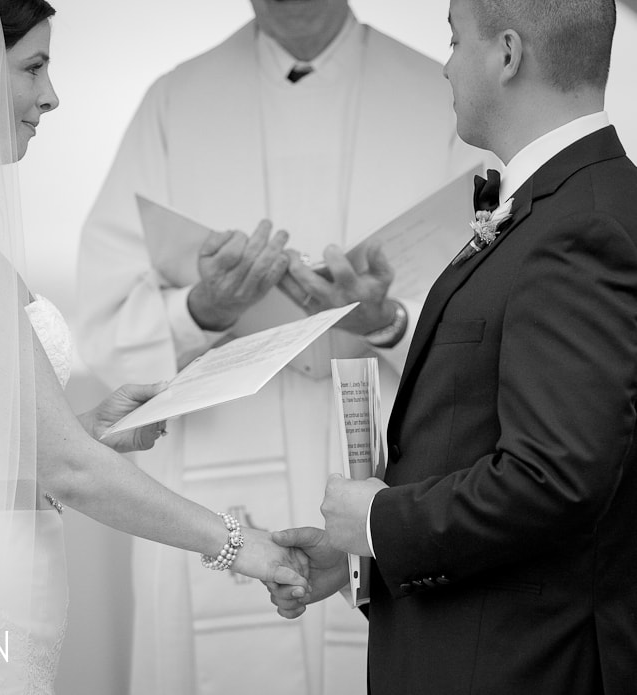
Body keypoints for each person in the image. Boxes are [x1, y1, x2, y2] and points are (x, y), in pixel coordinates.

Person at [0, 1, 309, 692]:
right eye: (32, 67)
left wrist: (93, 429)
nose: (51, 96)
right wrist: (245, 546)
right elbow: (68, 472)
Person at [76, 2, 480, 693]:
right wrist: (203, 308)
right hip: (218, 470)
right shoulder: (176, 102)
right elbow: (104, 323)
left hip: (384, 462)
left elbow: (491, 315)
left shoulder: (441, 96)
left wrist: (389, 321)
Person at [268, 0, 637, 692]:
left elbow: (552, 479)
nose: (444, 64)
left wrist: (381, 520)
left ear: (507, 53)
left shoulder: (581, 230)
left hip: (521, 664)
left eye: (452, 39)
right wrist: (366, 552)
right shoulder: (566, 207)